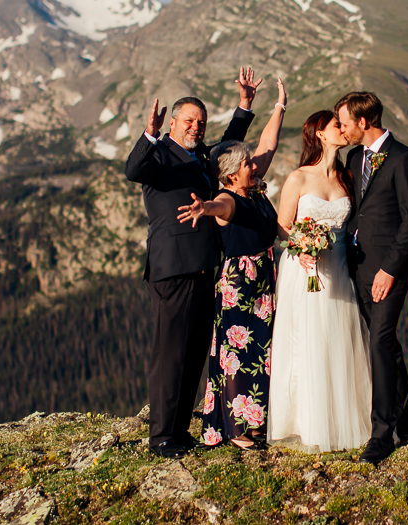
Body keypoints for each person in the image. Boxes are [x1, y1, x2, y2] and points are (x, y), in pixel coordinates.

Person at [124, 67, 262, 460]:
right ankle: (161, 436)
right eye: (188, 121)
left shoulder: (202, 156)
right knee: (170, 355)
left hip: (205, 268)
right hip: (174, 269)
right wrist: (149, 135)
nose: (196, 127)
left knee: (194, 351)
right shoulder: (158, 157)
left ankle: (180, 430)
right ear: (172, 123)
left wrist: (245, 105)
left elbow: (229, 143)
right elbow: (132, 170)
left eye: (200, 122)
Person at [176, 79, 288, 450]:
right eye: (245, 163)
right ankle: (235, 428)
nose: (252, 164)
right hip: (239, 282)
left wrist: (279, 108)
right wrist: (203, 208)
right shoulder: (227, 198)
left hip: (264, 279)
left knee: (262, 350)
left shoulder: (254, 190)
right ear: (229, 174)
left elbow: (268, 147)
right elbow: (218, 208)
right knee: (236, 353)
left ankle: (255, 422)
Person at [267, 110, 374, 452]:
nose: (343, 130)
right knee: (308, 339)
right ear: (320, 135)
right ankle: (307, 423)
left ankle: (345, 417)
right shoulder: (299, 178)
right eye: (336, 127)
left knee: (339, 338)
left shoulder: (345, 176)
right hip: (306, 269)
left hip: (340, 266)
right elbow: (281, 225)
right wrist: (300, 248)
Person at [337, 91, 408, 464]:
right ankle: (405, 414)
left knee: (380, 342)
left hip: (391, 268)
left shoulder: (404, 159)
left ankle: (381, 433)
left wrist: (390, 269)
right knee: (383, 342)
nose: (341, 129)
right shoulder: (355, 157)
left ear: (363, 122)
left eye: (344, 123)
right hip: (358, 265)